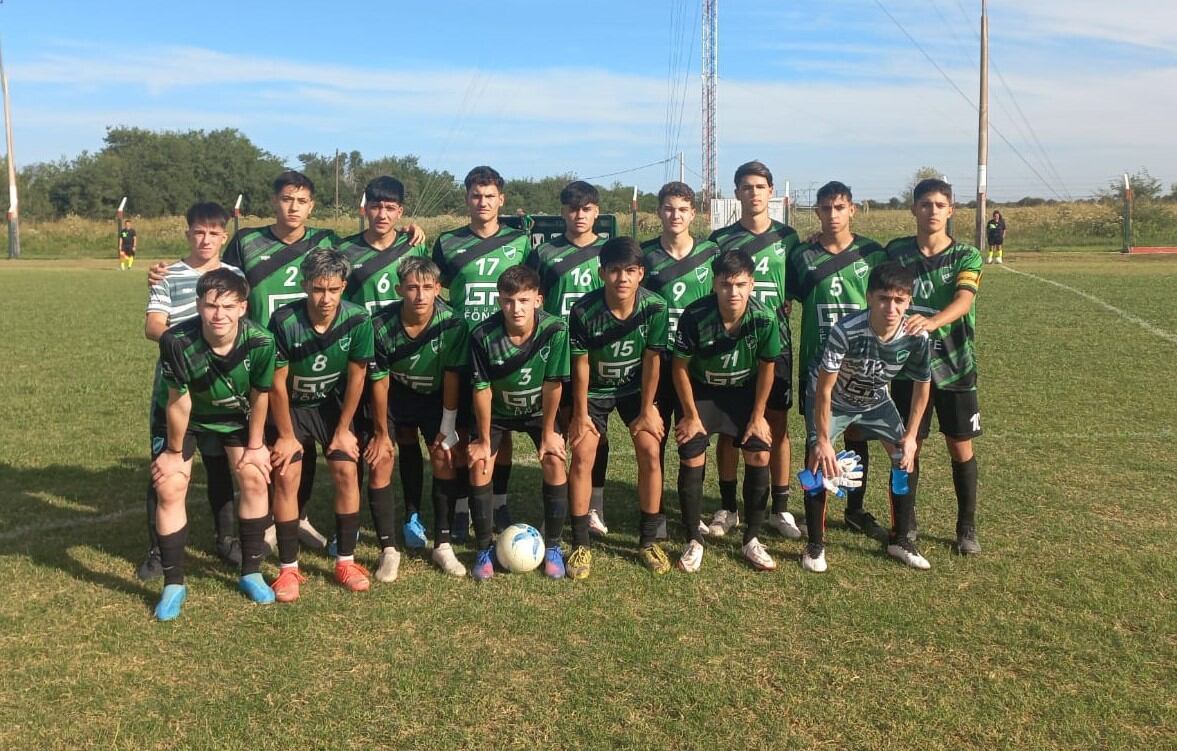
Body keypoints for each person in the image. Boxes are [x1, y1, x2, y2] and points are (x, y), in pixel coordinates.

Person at [150, 268, 276, 621]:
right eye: (210, 306)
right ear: (198, 306)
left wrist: (255, 446)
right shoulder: (176, 340)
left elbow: (260, 395)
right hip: (184, 418)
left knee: (254, 475)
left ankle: (251, 572)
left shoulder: (262, 341)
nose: (218, 314)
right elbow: (179, 401)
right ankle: (174, 583)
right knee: (171, 485)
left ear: (242, 308)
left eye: (228, 306)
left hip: (235, 417)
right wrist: (175, 454)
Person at [801, 261, 931, 573]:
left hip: (874, 400)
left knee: (904, 459)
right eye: (884, 298)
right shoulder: (845, 331)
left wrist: (911, 438)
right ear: (869, 297)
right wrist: (822, 439)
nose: (891, 307)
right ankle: (815, 545)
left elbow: (922, 389)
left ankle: (900, 539)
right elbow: (824, 389)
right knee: (818, 461)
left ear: (909, 302)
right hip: (833, 400)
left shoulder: (917, 336)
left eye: (899, 300)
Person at [138, 202, 242, 581]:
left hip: (219, 391)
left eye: (214, 233)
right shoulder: (168, 275)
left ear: (223, 237)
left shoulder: (234, 275)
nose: (206, 239)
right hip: (174, 388)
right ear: (188, 234)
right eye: (199, 231)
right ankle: (157, 550)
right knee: (166, 469)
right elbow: (153, 325)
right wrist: (189, 345)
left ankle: (226, 539)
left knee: (218, 468)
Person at [266, 249, 376, 601]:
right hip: (290, 408)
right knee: (287, 475)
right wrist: (285, 435)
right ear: (304, 286)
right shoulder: (284, 320)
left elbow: (358, 376)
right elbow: (276, 384)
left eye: (332, 289)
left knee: (346, 469)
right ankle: (288, 570)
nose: (325, 298)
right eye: (317, 289)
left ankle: (345, 560)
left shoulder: (358, 320)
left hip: (330, 406)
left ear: (343, 286)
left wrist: (344, 428)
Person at [885, 178, 984, 555]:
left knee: (960, 447)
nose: (932, 211)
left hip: (956, 367)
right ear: (913, 209)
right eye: (925, 204)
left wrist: (932, 321)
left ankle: (966, 528)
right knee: (907, 447)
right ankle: (905, 527)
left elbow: (963, 300)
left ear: (950, 210)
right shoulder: (895, 252)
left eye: (940, 205)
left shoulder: (966, 256)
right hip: (907, 369)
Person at [786, 181, 889, 541]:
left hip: (861, 365)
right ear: (816, 212)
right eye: (826, 209)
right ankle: (815, 520)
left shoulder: (873, 254)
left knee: (858, 435)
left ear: (852, 210)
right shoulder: (802, 255)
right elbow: (789, 298)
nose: (833, 215)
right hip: (817, 364)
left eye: (840, 207)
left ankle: (855, 509)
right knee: (817, 438)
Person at [433, 166, 530, 539]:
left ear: (501, 199)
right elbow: (431, 284)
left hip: (504, 347)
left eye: (490, 196)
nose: (483, 202)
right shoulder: (446, 242)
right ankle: (460, 507)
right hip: (460, 347)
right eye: (476, 195)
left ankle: (499, 502)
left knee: (498, 433)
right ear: (467, 199)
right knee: (459, 430)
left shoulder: (520, 242)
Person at [566, 237, 670, 578]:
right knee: (583, 454)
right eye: (614, 271)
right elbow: (580, 366)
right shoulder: (583, 311)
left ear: (641, 273)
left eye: (630, 271)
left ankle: (647, 540)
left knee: (650, 450)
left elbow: (653, 360)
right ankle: (581, 543)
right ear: (601, 273)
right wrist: (580, 415)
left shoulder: (655, 307)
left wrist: (647, 409)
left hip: (634, 389)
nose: (622, 278)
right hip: (594, 390)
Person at [671, 249, 781, 573]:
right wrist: (690, 416)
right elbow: (679, 367)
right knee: (691, 451)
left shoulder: (764, 317)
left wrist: (759, 416)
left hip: (742, 392)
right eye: (726, 284)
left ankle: (751, 539)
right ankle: (693, 538)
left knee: (760, 453)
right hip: (702, 392)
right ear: (715, 285)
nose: (733, 292)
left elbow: (767, 368)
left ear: (752, 284)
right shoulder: (694, 315)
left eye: (740, 285)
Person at [338, 176, 430, 553]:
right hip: (360, 358)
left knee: (405, 438)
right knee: (362, 441)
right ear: (365, 209)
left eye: (390, 208)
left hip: (405, 359)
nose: (382, 213)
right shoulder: (344, 250)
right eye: (375, 206)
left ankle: (412, 515)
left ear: (401, 212)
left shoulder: (414, 249)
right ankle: (353, 521)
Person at [707, 161, 799, 540]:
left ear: (771, 191)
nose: (754, 193)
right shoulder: (720, 239)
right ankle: (728, 507)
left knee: (776, 424)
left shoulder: (789, 238)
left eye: (760, 186)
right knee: (730, 428)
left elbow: (795, 286)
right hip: (733, 345)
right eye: (746, 187)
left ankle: (780, 508)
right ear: (737, 193)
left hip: (774, 343)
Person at [366, 257, 470, 577]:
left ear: (438, 288)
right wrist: (382, 432)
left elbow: (453, 376)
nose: (420, 295)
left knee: (443, 455)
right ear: (399, 289)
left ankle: (442, 544)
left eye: (427, 287)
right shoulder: (380, 324)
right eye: (412, 287)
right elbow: (379, 382)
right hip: (396, 396)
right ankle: (389, 549)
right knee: (382, 457)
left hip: (438, 396)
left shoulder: (453, 324)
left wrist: (447, 425)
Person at [467, 265, 570, 581]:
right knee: (480, 463)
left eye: (524, 300)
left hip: (538, 412)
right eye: (509, 300)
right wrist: (484, 439)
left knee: (554, 458)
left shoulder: (555, 331)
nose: (516, 308)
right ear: (499, 301)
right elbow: (481, 390)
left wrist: (550, 432)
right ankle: (484, 547)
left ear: (538, 300)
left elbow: (554, 384)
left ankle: (552, 544)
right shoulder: (482, 334)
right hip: (498, 411)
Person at [525, 180, 612, 536]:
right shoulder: (545, 253)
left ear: (597, 212)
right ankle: (557, 508)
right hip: (556, 351)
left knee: (595, 433)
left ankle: (595, 505)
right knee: (560, 430)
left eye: (587, 208)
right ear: (563, 212)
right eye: (573, 208)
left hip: (596, 353)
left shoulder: (610, 252)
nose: (580, 215)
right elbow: (532, 295)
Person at [640, 181, 721, 539]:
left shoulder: (711, 253)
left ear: (694, 214)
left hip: (695, 365)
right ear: (659, 212)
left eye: (683, 209)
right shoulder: (644, 256)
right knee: (653, 438)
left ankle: (692, 511)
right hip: (658, 361)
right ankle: (654, 515)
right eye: (669, 208)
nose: (675, 215)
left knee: (694, 440)